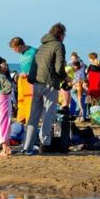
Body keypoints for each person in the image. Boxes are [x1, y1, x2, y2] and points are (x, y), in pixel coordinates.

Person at [23, 23, 68, 155]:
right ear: (60, 34)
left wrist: (32, 80)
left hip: (36, 83)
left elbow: (34, 65)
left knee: (34, 116)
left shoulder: (42, 46)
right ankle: (45, 143)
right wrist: (65, 78)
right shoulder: (59, 45)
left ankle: (27, 146)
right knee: (48, 114)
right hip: (49, 83)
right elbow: (59, 67)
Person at [9, 37, 37, 124]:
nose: (15, 51)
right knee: (22, 100)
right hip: (24, 79)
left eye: (15, 49)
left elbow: (39, 66)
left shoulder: (34, 51)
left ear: (20, 45)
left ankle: (30, 119)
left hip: (33, 80)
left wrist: (29, 73)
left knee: (31, 101)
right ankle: (22, 118)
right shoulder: (21, 53)